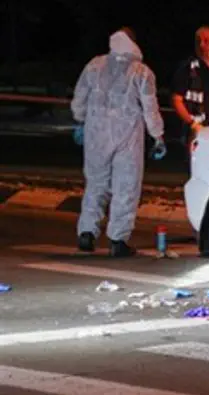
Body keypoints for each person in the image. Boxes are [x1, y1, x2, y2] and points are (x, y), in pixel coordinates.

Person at [70, 27, 167, 257]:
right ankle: (118, 240)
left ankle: (87, 233)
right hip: (128, 137)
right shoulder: (141, 72)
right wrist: (158, 136)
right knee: (126, 186)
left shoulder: (95, 65)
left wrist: (80, 119)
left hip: (96, 135)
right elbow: (150, 108)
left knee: (96, 184)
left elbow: (79, 97)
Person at [171, 26, 209, 153]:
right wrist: (193, 124)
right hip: (197, 132)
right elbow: (176, 100)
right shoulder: (188, 69)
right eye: (198, 41)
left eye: (206, 41)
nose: (201, 45)